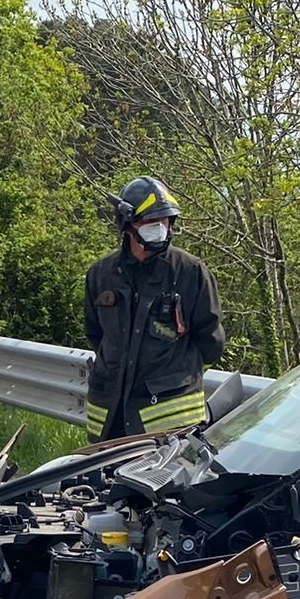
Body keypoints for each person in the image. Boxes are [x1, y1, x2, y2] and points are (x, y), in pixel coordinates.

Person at [82, 176, 225, 440]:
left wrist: (172, 374)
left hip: (168, 427)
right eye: (150, 222)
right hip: (108, 420)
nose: (160, 227)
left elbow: (211, 343)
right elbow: (95, 333)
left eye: (165, 220)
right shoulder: (101, 274)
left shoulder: (190, 272)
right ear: (127, 226)